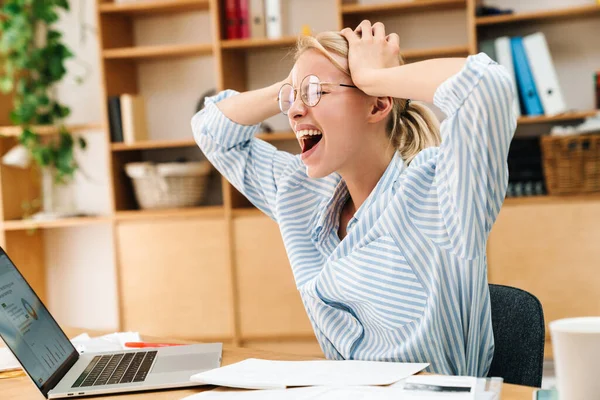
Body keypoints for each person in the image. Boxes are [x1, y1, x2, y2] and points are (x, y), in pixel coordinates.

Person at [192, 20, 517, 376]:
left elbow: (486, 86)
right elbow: (211, 130)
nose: (294, 112)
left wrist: (373, 76)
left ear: (378, 106)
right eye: (293, 99)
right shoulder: (302, 194)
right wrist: (290, 87)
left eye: (317, 92)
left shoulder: (439, 191)